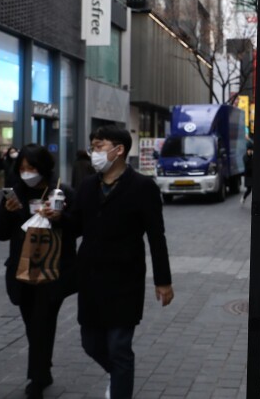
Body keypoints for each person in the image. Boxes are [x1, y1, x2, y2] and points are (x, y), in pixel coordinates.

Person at [68, 125, 174, 399]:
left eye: (100, 146)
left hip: (125, 279)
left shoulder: (142, 187)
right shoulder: (88, 186)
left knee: (118, 346)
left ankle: (120, 388)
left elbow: (156, 236)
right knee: (91, 343)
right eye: (92, 146)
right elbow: (75, 227)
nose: (94, 152)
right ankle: (118, 376)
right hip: (90, 278)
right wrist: (56, 216)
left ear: (119, 150)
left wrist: (163, 280)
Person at [0, 144, 77, 399]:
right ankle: (43, 368)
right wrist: (7, 212)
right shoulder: (15, 194)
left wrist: (60, 218)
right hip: (23, 271)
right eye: (23, 168)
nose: (27, 173)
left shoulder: (62, 192)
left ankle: (36, 379)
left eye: (32, 168)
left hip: (53, 271)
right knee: (34, 324)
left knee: (41, 322)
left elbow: (80, 227)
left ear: (44, 168)